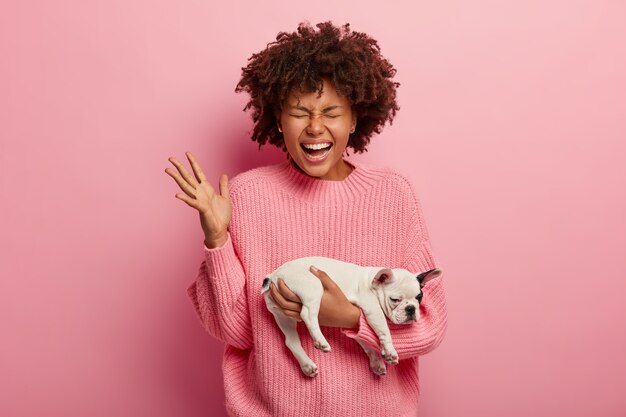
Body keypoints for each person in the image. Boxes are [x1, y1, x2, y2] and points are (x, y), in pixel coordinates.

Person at [165, 21, 447, 417]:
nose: (315, 127)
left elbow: (430, 325)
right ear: (278, 120)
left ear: (354, 119)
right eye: (299, 112)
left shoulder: (393, 195)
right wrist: (217, 240)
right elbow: (236, 332)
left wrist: (349, 317)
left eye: (331, 112)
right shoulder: (245, 196)